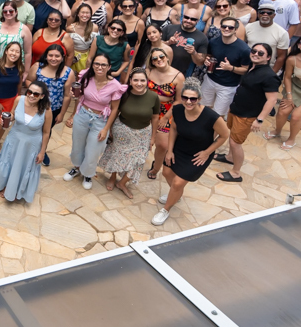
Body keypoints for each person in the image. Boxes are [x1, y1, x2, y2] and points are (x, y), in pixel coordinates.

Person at [152, 78, 230, 226]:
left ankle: (166, 209)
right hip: (179, 148)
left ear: (199, 99)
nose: (188, 101)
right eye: (185, 98)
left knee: (177, 183)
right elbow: (174, 128)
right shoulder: (177, 109)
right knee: (167, 173)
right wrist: (170, 150)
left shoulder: (211, 117)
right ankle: (176, 194)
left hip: (198, 155)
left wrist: (207, 152)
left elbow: (224, 135)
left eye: (193, 99)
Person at [219, 43, 281, 182]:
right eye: (254, 51)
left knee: (235, 143)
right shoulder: (252, 67)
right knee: (233, 135)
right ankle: (230, 157)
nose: (256, 54)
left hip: (247, 115)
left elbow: (272, 100)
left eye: (261, 53)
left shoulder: (269, 76)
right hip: (236, 109)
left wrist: (259, 119)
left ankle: (236, 173)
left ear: (268, 57)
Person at [62, 55, 126, 190]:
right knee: (77, 145)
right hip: (82, 115)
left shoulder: (115, 85)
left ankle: (88, 173)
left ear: (109, 67)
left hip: (100, 120)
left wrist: (106, 129)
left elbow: (115, 109)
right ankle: (77, 167)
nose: (99, 67)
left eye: (103, 65)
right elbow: (80, 96)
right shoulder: (86, 76)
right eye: (97, 64)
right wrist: (73, 112)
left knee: (94, 150)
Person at [99, 68, 161, 198]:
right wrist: (109, 128)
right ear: (131, 81)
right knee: (117, 154)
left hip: (143, 133)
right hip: (122, 129)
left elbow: (155, 117)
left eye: (142, 80)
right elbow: (115, 111)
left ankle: (122, 183)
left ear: (147, 81)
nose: (139, 83)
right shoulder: (123, 94)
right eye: (136, 80)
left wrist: (153, 137)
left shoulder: (153, 97)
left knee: (139, 160)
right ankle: (113, 177)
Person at [0, 79, 52, 203]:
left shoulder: (46, 110)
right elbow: (13, 114)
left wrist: (42, 152)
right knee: (9, 161)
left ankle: (14, 190)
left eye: (36, 94)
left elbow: (46, 132)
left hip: (31, 144)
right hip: (14, 138)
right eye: (29, 92)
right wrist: (7, 119)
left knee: (21, 166)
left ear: (42, 96)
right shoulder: (19, 99)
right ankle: (4, 184)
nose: (31, 96)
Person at [144, 46, 184, 179]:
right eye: (155, 58)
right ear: (152, 62)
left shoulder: (178, 76)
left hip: (166, 112)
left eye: (161, 57)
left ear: (167, 58)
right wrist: (161, 98)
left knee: (162, 145)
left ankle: (156, 167)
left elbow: (179, 100)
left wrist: (166, 118)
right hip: (148, 108)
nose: (159, 60)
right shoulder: (148, 72)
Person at [201, 18, 251, 117]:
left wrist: (231, 68)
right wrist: (207, 60)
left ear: (236, 30)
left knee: (218, 115)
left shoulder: (244, 49)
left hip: (228, 86)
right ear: (220, 27)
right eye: (224, 26)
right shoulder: (213, 42)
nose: (227, 29)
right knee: (203, 108)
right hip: (210, 80)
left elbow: (245, 70)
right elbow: (210, 56)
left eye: (230, 27)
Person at [0, 41, 25, 158]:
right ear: (6, 51)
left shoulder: (19, 67)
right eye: (12, 50)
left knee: (5, 125)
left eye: (17, 51)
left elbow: (19, 85)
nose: (14, 53)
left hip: (11, 100)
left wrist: (17, 101)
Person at [0, 3, 33, 74]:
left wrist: (26, 71)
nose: (8, 13)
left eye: (11, 11)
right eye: (5, 11)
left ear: (16, 12)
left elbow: (28, 52)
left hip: (15, 67)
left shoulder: (24, 29)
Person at [244, 2, 289, 72]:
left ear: (274, 15)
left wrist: (272, 74)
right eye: (262, 12)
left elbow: (281, 56)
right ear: (258, 14)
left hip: (268, 69)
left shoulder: (282, 33)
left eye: (269, 13)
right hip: (248, 67)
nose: (265, 14)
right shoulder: (248, 27)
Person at [66, 4, 100, 72]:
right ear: (78, 14)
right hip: (72, 56)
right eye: (82, 12)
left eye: (87, 13)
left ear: (90, 15)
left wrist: (89, 60)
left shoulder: (94, 28)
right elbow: (67, 46)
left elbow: (95, 45)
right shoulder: (70, 28)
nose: (85, 15)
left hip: (87, 56)